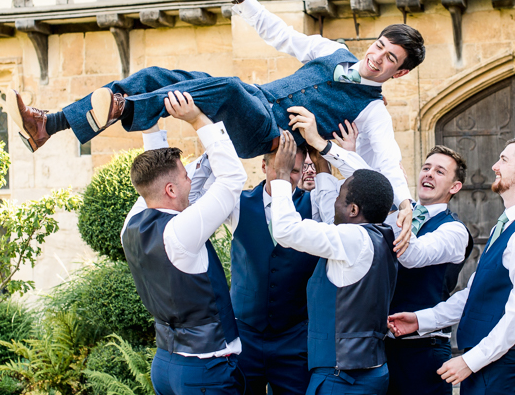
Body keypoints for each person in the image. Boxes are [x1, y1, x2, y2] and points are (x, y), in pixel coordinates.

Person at [6, 0, 424, 223]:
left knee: (223, 89)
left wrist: (404, 205)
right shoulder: (332, 51)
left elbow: (386, 163)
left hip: (269, 132)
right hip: (254, 94)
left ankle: (125, 106)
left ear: (399, 72)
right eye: (379, 47)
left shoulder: (372, 110)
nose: (377, 58)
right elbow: (281, 35)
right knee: (158, 73)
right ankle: (49, 125)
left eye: (389, 59)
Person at [288, 108, 474, 395]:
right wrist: (330, 164)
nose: (428, 174)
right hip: (378, 352)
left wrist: (396, 202)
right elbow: (345, 210)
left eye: (440, 171)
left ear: (455, 186)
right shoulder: (396, 213)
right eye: (426, 167)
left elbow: (409, 254)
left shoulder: (454, 231)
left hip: (421, 351)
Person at [128, 131, 330, 395]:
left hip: (293, 338)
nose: (287, 177)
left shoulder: (315, 206)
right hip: (245, 334)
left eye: (293, 171)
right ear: (264, 166)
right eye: (281, 168)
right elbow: (187, 201)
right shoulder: (237, 203)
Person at [387, 138, 515, 395]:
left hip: (498, 367)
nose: (494, 165)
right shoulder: (507, 226)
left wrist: (471, 361)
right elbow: (473, 294)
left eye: (503, 160)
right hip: (484, 363)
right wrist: (421, 320)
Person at [120, 91, 247, 395]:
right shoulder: (180, 232)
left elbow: (155, 172)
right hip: (204, 372)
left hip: (165, 363)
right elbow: (232, 179)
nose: (191, 180)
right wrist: (198, 120)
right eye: (185, 176)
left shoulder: (131, 222)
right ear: (170, 189)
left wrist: (149, 122)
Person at [269, 130, 399, 395]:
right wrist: (322, 165)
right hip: (368, 371)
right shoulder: (381, 233)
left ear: (353, 210)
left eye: (341, 194)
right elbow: (332, 214)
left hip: (342, 379)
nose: (335, 199)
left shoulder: (352, 239)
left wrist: (281, 177)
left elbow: (285, 230)